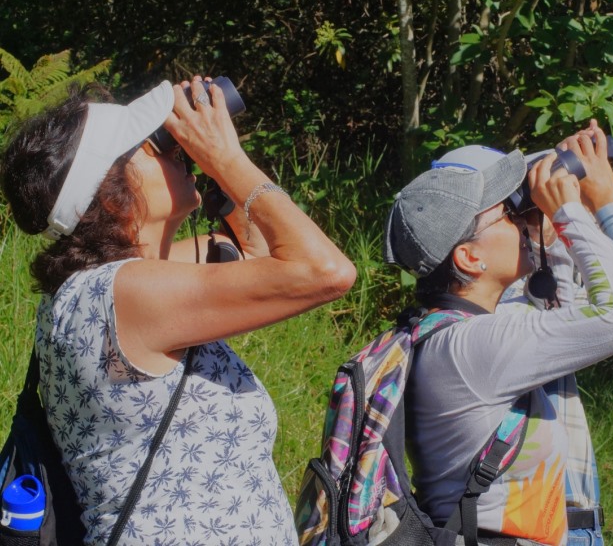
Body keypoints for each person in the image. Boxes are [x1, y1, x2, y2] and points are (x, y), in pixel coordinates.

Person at [1, 77, 357, 545]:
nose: (178, 149)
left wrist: (222, 177)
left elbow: (260, 255)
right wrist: (226, 159)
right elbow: (324, 271)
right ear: (110, 194)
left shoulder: (92, 290)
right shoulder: (127, 293)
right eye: (154, 147)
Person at [383, 125, 613, 545]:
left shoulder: (449, 335)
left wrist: (553, 225)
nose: (520, 220)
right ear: (469, 256)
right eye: (506, 213)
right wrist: (569, 212)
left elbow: (578, 312)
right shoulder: (475, 345)